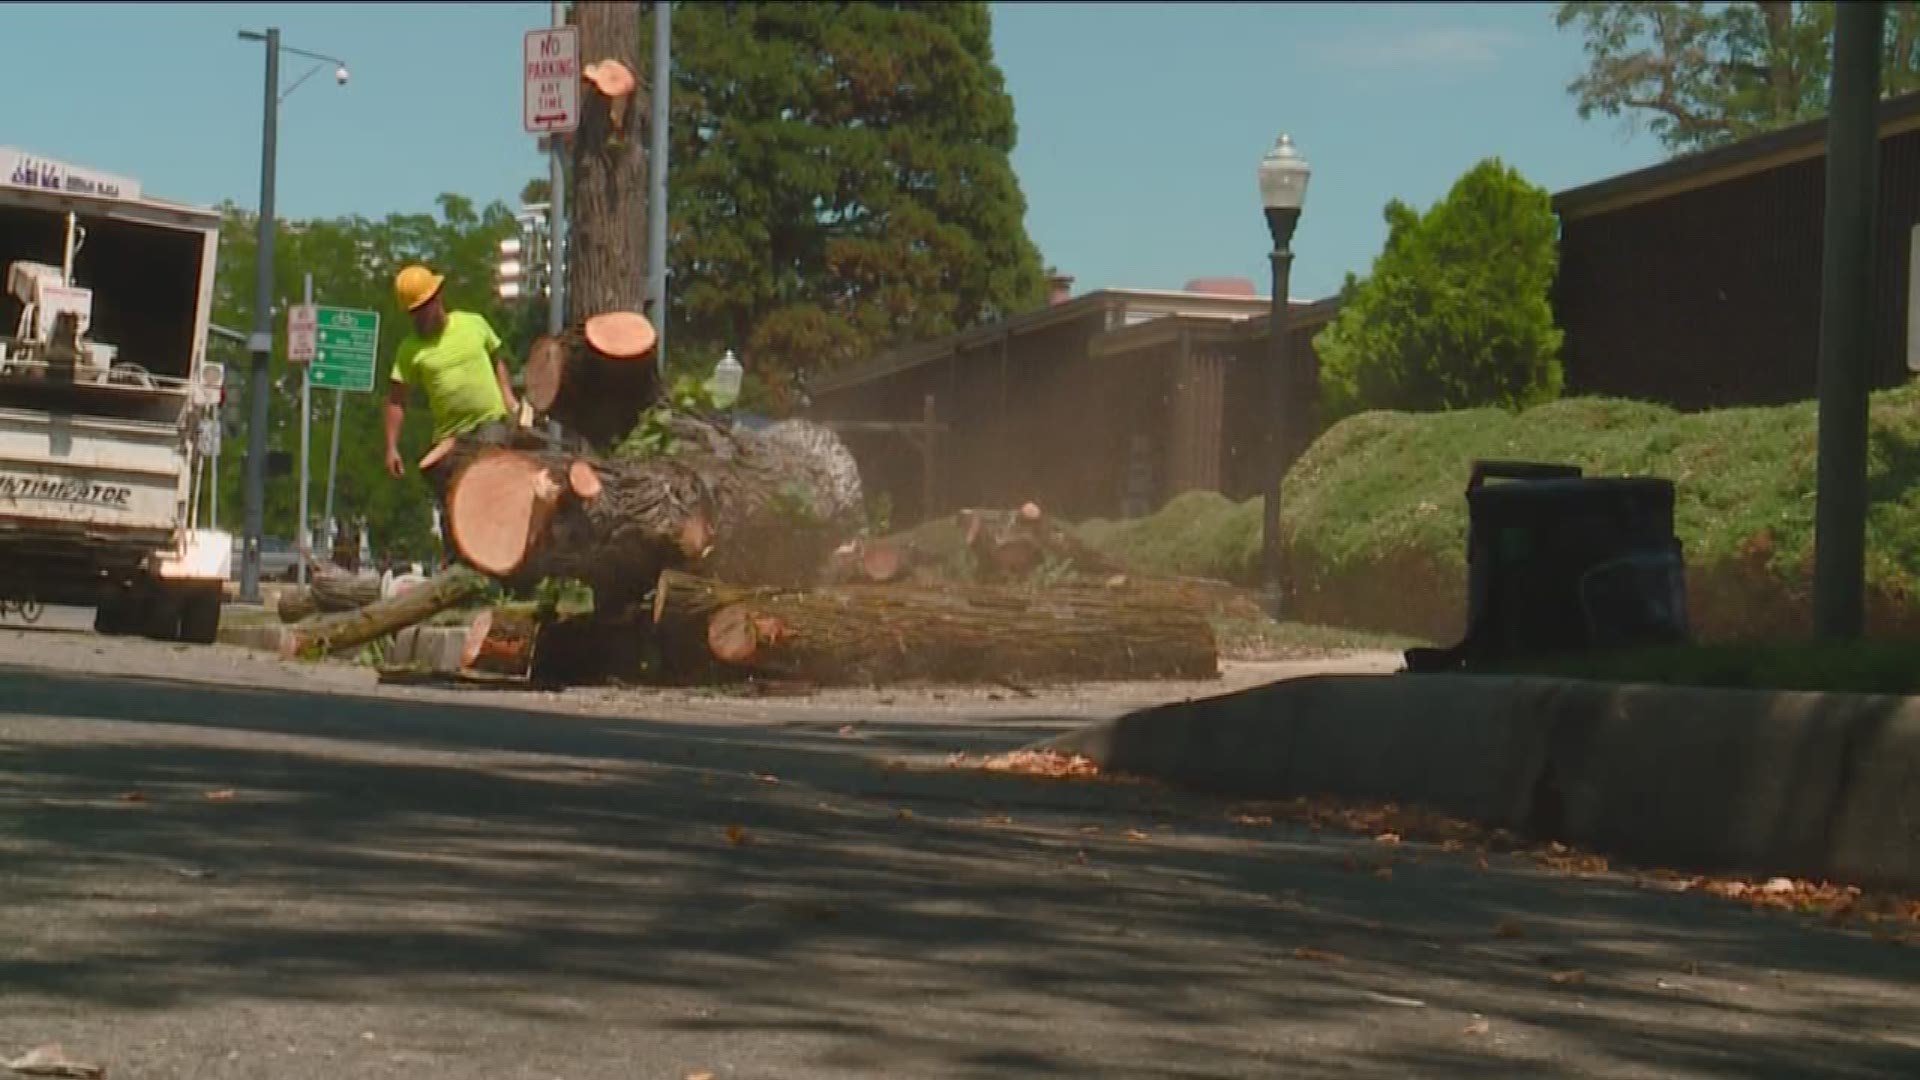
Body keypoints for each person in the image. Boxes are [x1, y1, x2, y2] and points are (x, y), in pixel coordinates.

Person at [384, 264, 521, 492]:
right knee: (454, 497)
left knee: (488, 481)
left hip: (489, 422)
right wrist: (391, 447)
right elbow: (396, 401)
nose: (419, 317)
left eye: (423, 308)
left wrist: (508, 397)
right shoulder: (409, 350)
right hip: (449, 437)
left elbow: (497, 360)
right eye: (413, 312)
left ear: (437, 298)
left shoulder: (473, 323)